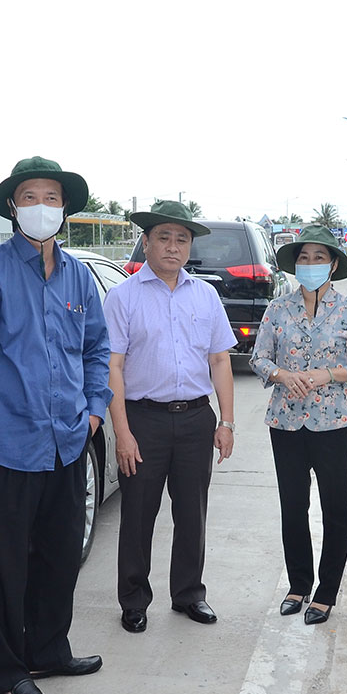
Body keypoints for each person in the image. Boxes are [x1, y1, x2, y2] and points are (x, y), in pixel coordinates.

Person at [0, 156, 110, 694]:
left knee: (61, 554)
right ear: (13, 207)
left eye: (51, 196)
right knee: (6, 568)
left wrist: (95, 409)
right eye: (29, 197)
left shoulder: (77, 276)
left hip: (68, 440)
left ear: (64, 208)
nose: (41, 206)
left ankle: (49, 649)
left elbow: (96, 349)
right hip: (10, 447)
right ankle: (7, 674)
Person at [105, 200, 236, 633]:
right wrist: (122, 433)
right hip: (144, 420)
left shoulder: (206, 295)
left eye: (182, 239)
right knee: (139, 515)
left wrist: (226, 421)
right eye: (163, 237)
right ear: (146, 242)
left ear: (190, 246)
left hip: (197, 419)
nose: (173, 247)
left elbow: (219, 360)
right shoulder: (123, 296)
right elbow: (114, 367)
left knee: (192, 513)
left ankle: (188, 595)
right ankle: (134, 600)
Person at [250, 225, 347, 625]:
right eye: (303, 258)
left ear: (334, 264)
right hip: (285, 424)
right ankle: (298, 585)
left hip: (332, 424)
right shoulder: (278, 309)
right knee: (293, 507)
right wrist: (281, 375)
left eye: (318, 258)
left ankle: (326, 592)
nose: (309, 265)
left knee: (336, 509)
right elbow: (258, 359)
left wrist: (329, 374)